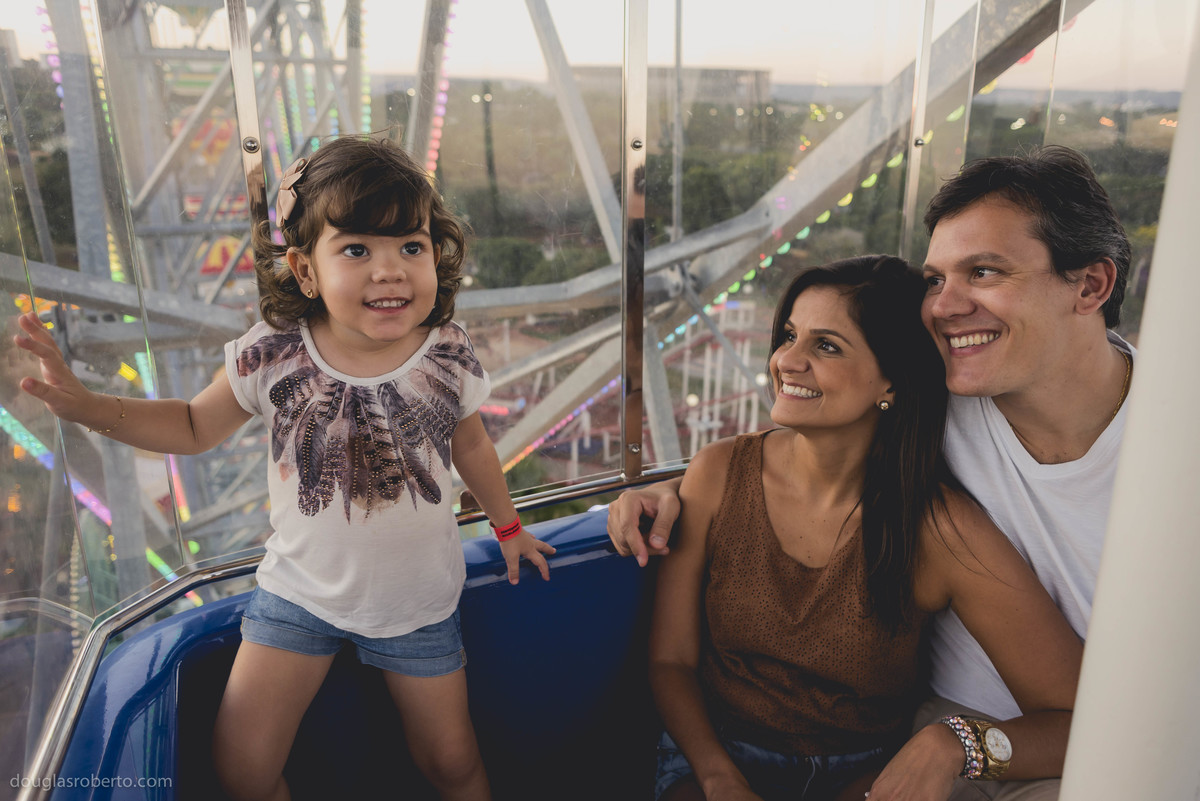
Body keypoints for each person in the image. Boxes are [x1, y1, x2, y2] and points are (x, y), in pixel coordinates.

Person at [14, 136, 555, 801]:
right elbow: (192, 425)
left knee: (451, 761)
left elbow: (470, 447)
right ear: (304, 270)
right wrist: (86, 406)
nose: (390, 271)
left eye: (411, 247)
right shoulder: (272, 353)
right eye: (356, 250)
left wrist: (509, 529)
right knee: (242, 768)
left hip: (418, 603)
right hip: (298, 597)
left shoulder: (447, 351)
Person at [610, 145, 1132, 800]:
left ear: (1091, 285)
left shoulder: (952, 501)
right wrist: (667, 491)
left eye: (984, 271)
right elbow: (786, 451)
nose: (944, 307)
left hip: (1018, 744)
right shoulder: (959, 385)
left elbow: (1085, 715)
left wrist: (957, 744)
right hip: (921, 728)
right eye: (936, 279)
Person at [649, 255, 1081, 801]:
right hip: (710, 757)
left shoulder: (938, 530)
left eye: (826, 346)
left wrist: (954, 743)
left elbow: (1075, 718)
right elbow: (670, 661)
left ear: (891, 382)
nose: (787, 361)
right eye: (790, 336)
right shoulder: (716, 473)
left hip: (862, 776)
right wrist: (720, 781)